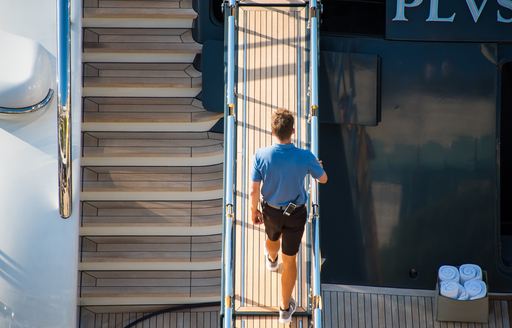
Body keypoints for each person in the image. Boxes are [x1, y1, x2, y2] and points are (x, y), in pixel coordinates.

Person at [250, 108, 328, 323]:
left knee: (272, 237)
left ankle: (272, 260)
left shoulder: (261, 155)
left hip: (270, 211)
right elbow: (323, 179)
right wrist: (316, 167)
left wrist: (254, 211)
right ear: (293, 130)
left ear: (272, 131)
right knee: (291, 258)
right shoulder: (305, 156)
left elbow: (254, 190)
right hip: (295, 214)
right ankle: (285, 309)